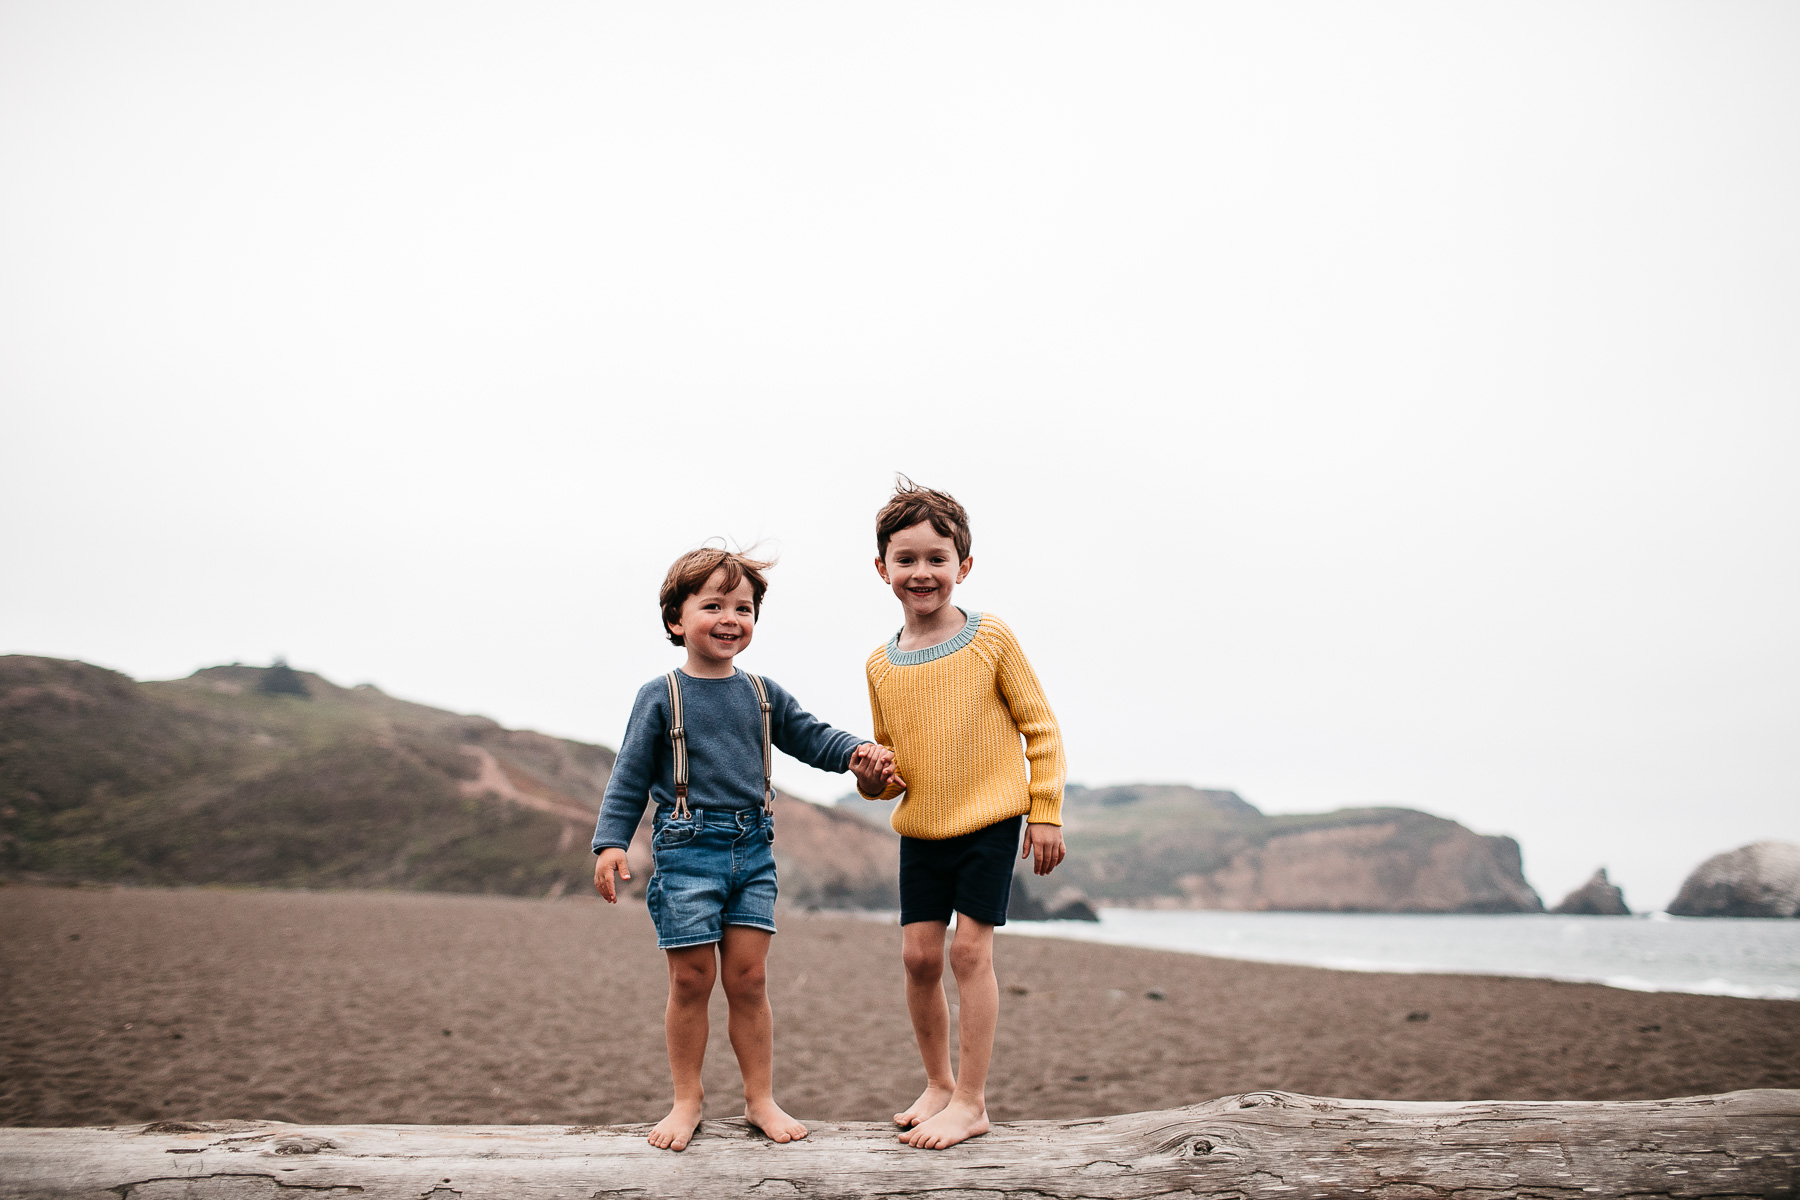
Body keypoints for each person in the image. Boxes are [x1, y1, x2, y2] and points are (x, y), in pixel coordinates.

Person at [593, 546, 895, 1152]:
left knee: (750, 979)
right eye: (713, 605)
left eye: (744, 607)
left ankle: (760, 1098)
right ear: (676, 619)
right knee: (691, 979)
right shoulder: (661, 694)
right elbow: (627, 776)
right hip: (685, 851)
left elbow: (811, 736)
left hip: (753, 848)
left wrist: (857, 753)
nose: (731, 618)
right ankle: (687, 1099)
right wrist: (609, 844)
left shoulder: (761, 693)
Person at [857, 478, 1067, 1150]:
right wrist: (870, 780)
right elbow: (890, 773)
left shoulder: (990, 638)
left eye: (937, 559)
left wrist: (1047, 812)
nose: (922, 572)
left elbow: (1041, 728)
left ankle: (973, 1102)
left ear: (963, 567)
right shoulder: (880, 664)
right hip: (922, 828)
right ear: (882, 568)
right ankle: (939, 1084)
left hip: (989, 820)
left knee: (969, 952)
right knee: (919, 957)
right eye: (907, 559)